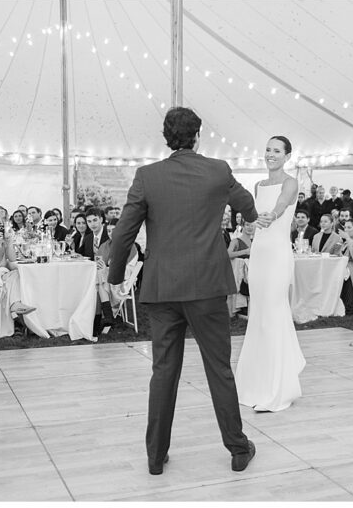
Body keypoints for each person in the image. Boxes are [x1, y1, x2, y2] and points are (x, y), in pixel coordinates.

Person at [108, 106, 257, 476]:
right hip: (207, 285)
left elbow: (124, 231)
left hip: (162, 288)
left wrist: (113, 278)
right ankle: (238, 449)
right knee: (219, 368)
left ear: (166, 136)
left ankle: (155, 457)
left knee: (163, 371)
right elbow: (249, 208)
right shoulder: (218, 170)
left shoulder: (147, 176)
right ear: (197, 135)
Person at [235, 135, 305, 411]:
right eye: (268, 149)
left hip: (277, 253)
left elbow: (283, 204)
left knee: (274, 310)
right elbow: (253, 214)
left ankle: (279, 388)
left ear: (287, 156)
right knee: (259, 314)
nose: (271, 154)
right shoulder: (258, 184)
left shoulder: (290, 182)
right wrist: (252, 221)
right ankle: (255, 383)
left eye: (277, 151)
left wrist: (270, 216)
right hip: (260, 252)